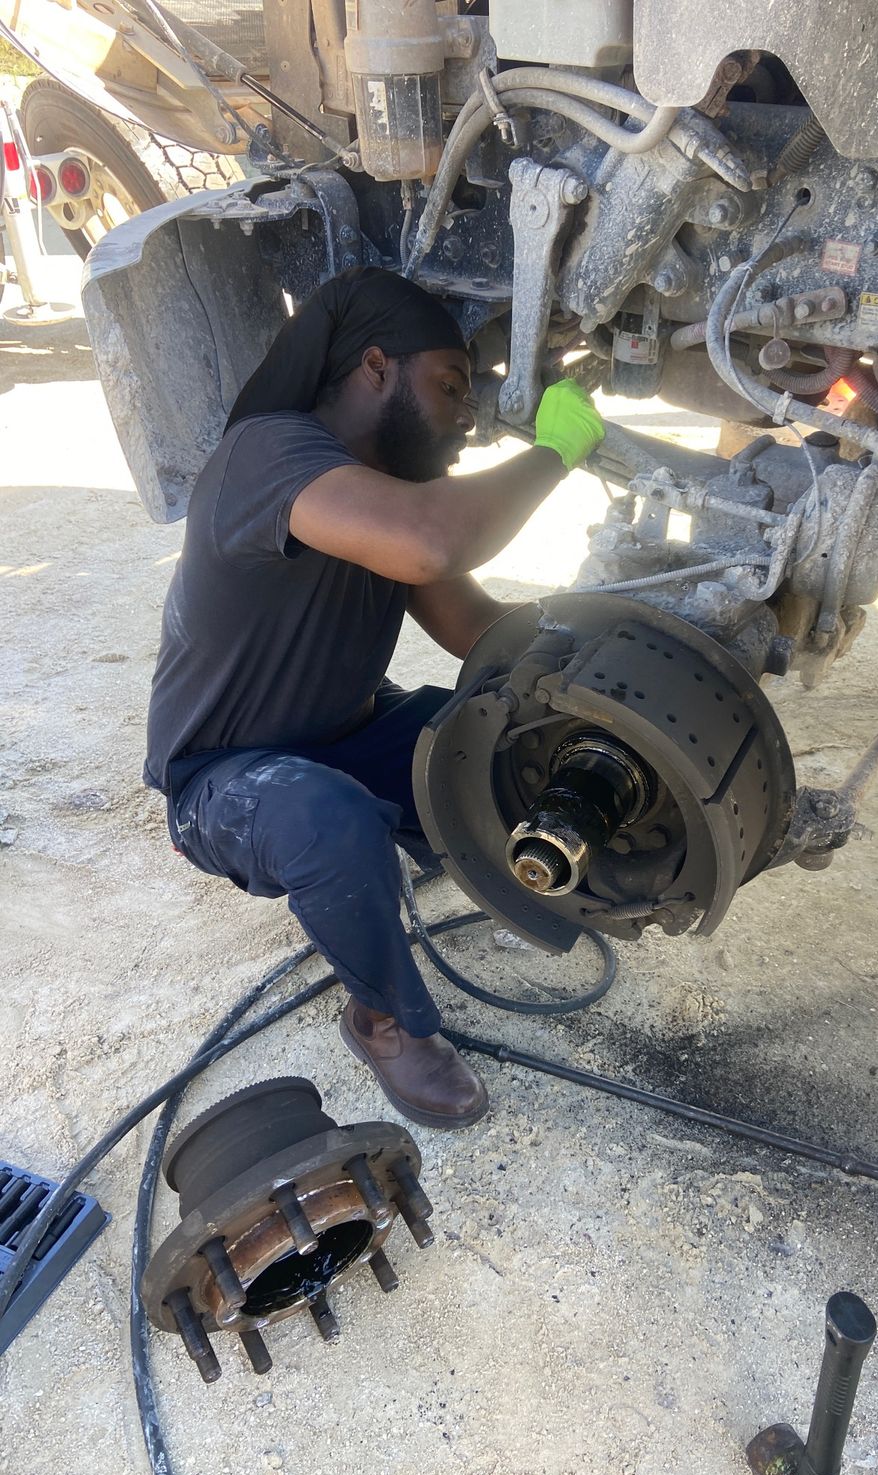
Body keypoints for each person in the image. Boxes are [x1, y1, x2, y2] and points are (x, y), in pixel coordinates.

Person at [144, 268, 604, 1130]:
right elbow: (431, 543)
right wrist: (554, 452)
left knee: (496, 737)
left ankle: (524, 866)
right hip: (226, 780)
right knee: (330, 820)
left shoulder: (379, 494)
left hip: (344, 737)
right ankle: (385, 1021)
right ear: (375, 368)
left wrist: (595, 653)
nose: (468, 413)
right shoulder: (267, 453)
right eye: (451, 386)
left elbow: (477, 630)